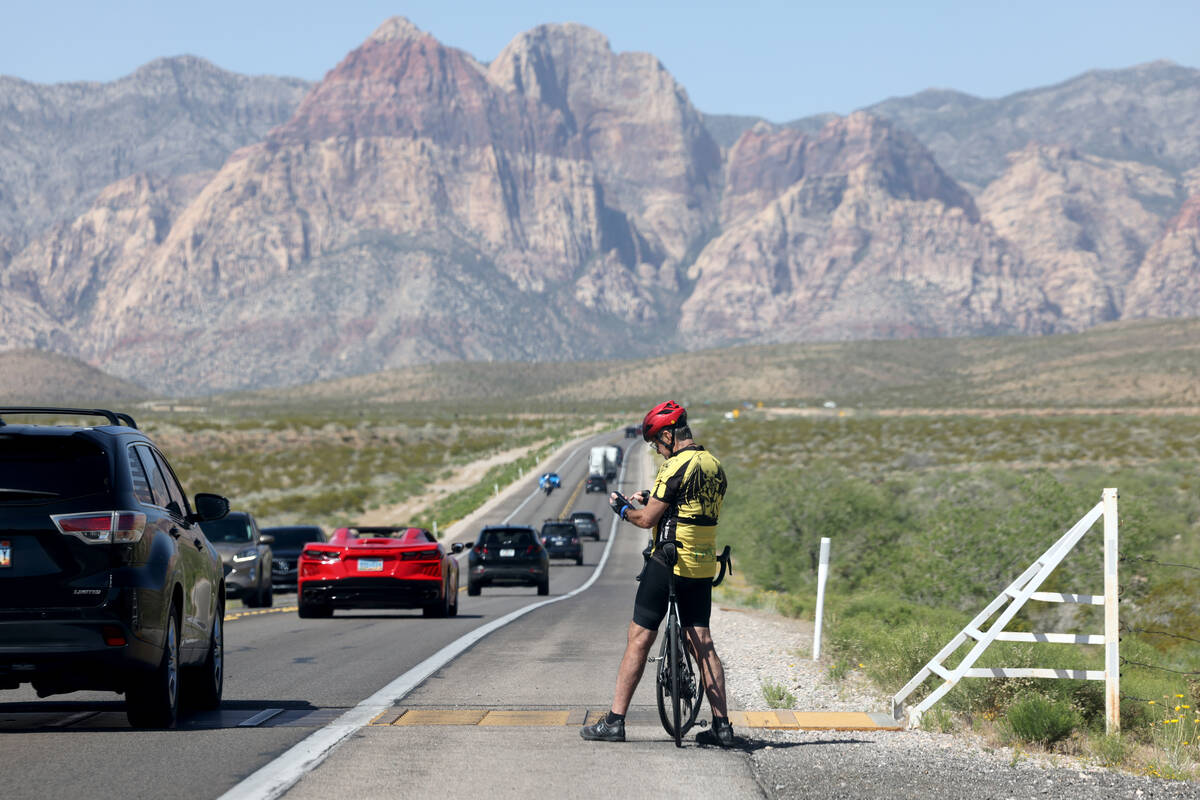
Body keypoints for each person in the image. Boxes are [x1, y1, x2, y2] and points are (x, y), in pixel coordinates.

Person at [580, 400, 735, 746]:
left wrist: (623, 507)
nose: (657, 450)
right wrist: (654, 495)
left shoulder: (674, 465)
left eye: (656, 442)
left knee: (639, 638)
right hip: (702, 564)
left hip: (668, 561)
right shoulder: (714, 466)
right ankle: (723, 727)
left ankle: (615, 721)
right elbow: (689, 504)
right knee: (703, 643)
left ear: (668, 434)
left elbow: (647, 519)